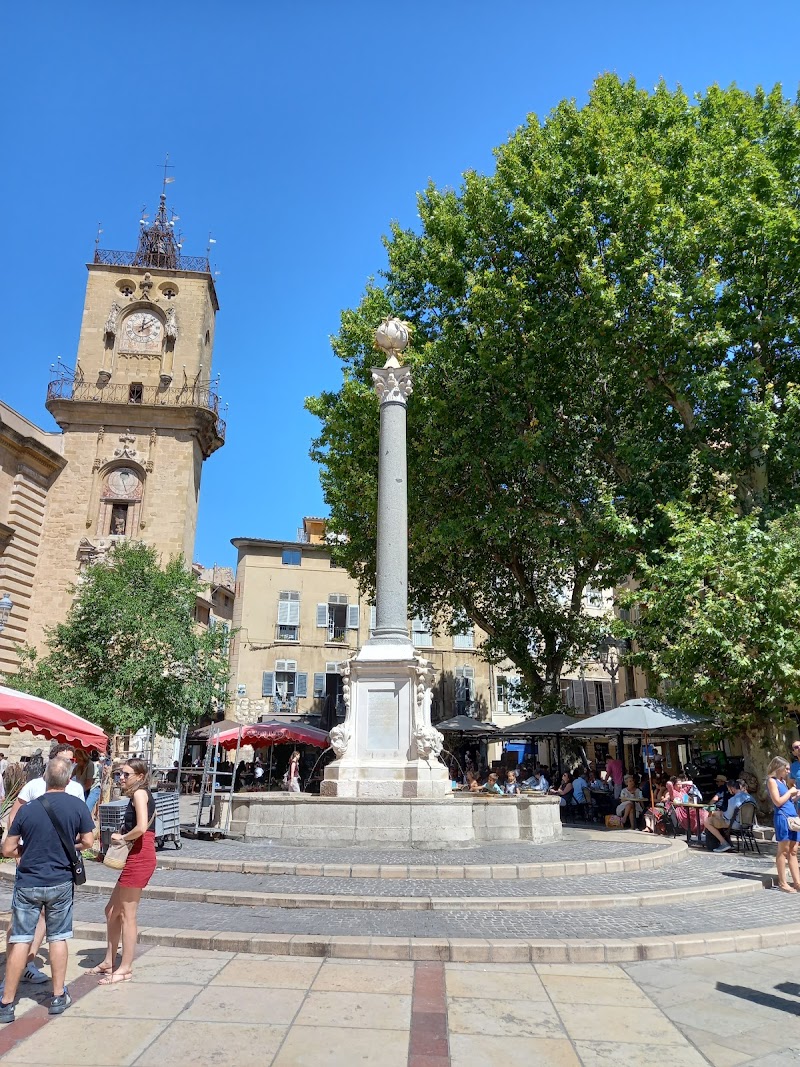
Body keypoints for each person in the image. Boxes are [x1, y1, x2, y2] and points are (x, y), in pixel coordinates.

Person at [0, 758, 94, 1021]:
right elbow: (88, 841)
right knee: (58, 937)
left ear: (45, 779)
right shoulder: (77, 806)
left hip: (29, 881)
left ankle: (7, 1002)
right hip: (60, 881)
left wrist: (26, 850)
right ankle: (56, 996)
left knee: (20, 938)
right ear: (68, 779)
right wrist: (68, 847)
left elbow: (7, 849)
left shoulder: (28, 809)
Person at [90, 760, 157, 983]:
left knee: (128, 915)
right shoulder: (137, 794)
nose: (121, 778)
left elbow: (140, 827)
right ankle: (110, 959)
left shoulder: (139, 794)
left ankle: (125, 967)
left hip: (140, 854)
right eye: (120, 774)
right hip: (135, 855)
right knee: (111, 910)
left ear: (139, 776)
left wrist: (122, 837)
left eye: (125, 774)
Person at [766, 756, 800, 893]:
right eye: (786, 768)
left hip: (792, 817)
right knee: (783, 850)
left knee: (793, 851)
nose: (788, 771)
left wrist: (795, 796)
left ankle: (797, 882)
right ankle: (782, 882)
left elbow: (787, 800)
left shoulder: (783, 782)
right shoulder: (772, 781)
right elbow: (778, 802)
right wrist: (790, 792)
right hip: (783, 818)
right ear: (778, 768)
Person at [704, 779, 755, 852]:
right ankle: (727, 841)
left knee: (707, 821)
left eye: (729, 789)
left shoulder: (733, 799)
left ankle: (724, 843)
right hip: (747, 824)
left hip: (735, 824)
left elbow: (727, 817)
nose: (729, 791)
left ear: (732, 788)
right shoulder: (750, 798)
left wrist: (718, 813)